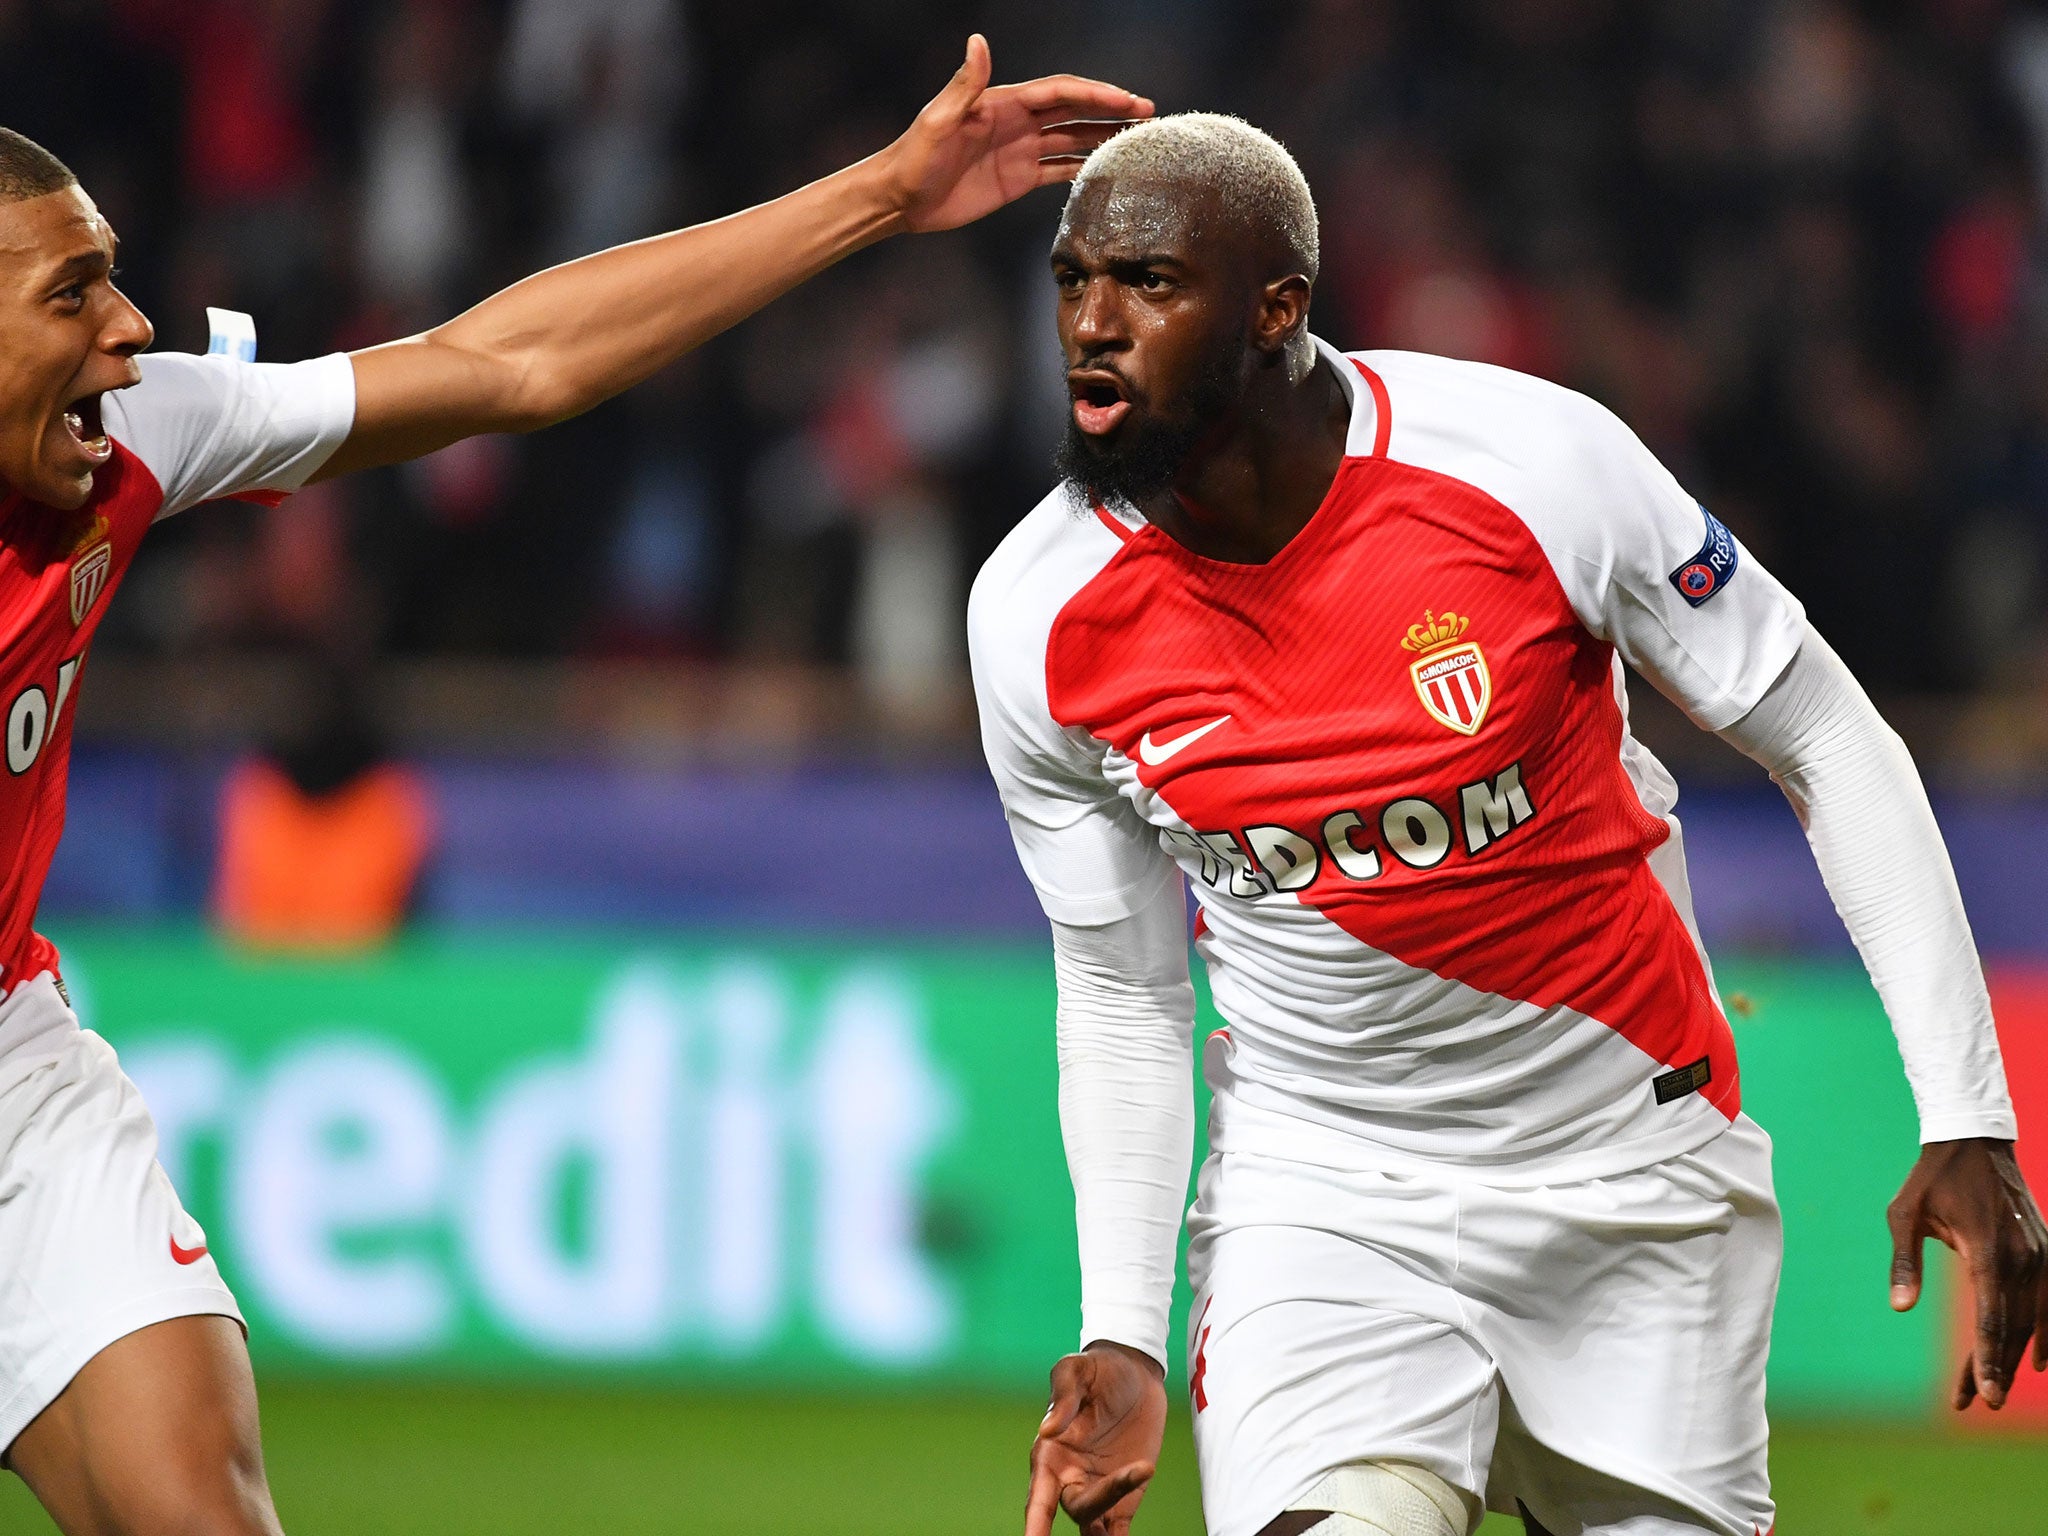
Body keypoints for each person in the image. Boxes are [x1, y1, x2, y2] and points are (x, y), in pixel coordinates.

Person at [0, 40, 1149, 1536]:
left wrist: (880, 192)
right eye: (71, 293)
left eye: (114, 277)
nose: (132, 327)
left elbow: (507, 365)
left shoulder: (137, 430)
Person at [970, 114, 2047, 1536]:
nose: (1093, 327)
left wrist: (1968, 1112)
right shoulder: (1037, 616)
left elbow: (1828, 739)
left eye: (1150, 284)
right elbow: (1119, 982)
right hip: (1322, 1197)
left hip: (1634, 1172)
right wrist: (1122, 1326)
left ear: (1278, 308)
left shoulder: (1533, 467)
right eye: (1073, 281)